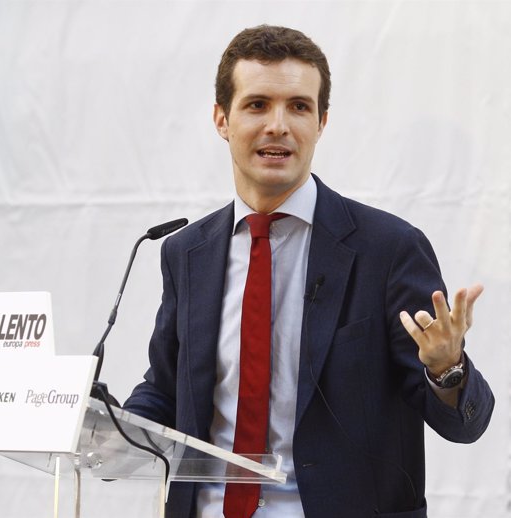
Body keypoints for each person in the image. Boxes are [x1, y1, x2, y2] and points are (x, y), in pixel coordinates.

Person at [123, 25, 494, 517]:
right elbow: (167, 390)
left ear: (320, 123)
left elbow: (464, 425)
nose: (278, 125)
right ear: (221, 119)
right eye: (257, 105)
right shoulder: (187, 253)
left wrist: (447, 368)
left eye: (298, 106)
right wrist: (107, 426)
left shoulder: (388, 249)